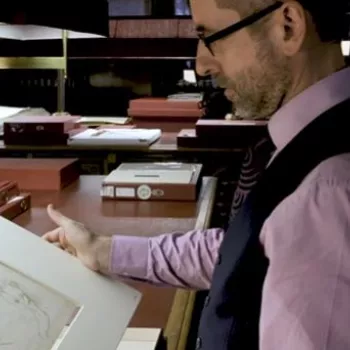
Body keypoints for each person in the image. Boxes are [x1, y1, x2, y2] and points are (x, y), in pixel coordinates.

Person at [43, 0, 350, 348]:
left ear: (288, 27)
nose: (202, 66)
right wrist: (102, 250)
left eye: (210, 37)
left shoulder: (327, 189)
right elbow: (247, 251)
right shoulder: (315, 139)